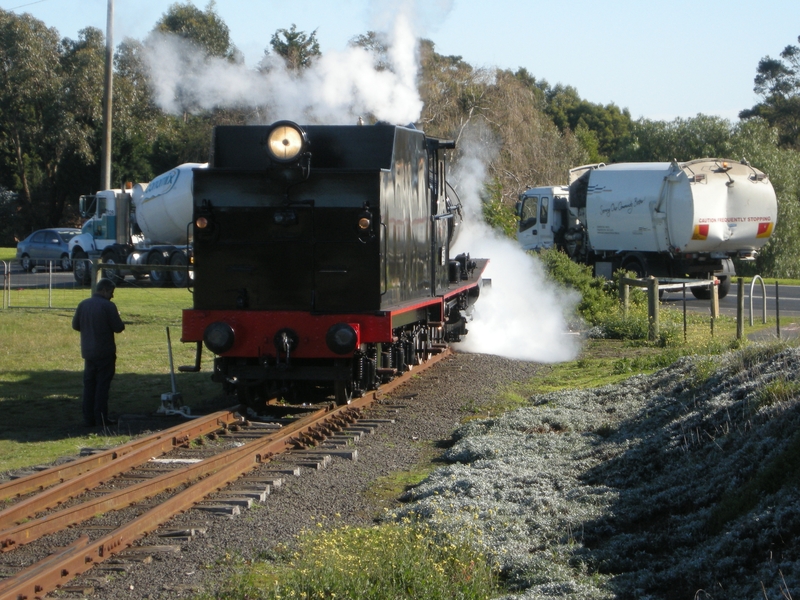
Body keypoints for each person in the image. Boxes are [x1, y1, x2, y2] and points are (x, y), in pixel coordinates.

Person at [72, 278, 125, 427]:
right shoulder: (108, 306)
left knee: (89, 385)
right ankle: (101, 417)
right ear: (104, 290)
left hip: (88, 352)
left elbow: (76, 325)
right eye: (111, 292)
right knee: (102, 386)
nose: (112, 296)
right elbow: (118, 327)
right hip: (105, 351)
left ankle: (88, 418)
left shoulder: (83, 304)